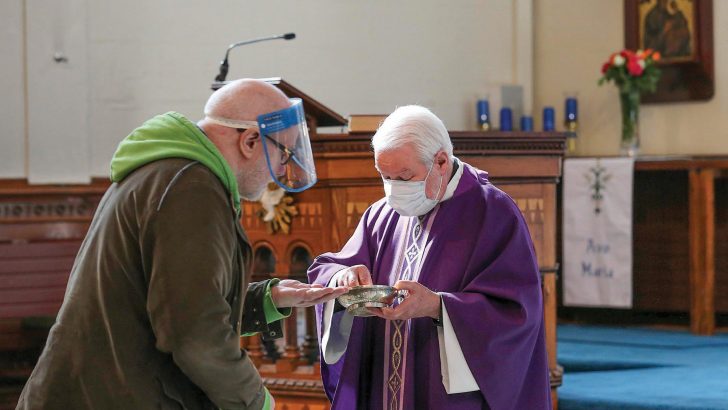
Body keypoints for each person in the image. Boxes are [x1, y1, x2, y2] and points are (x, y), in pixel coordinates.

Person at [16, 79, 345, 410]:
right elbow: (193, 335)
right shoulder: (192, 189)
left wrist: (269, 299)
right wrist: (257, 403)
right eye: (282, 152)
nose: (284, 168)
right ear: (250, 140)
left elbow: (175, 305)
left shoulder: (173, 172)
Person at [308, 105, 551, 409]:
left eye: (405, 177)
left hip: (448, 395)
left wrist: (437, 306)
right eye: (385, 177)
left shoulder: (493, 213)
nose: (394, 189)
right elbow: (333, 266)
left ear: (440, 161)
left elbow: (517, 311)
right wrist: (341, 278)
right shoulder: (381, 215)